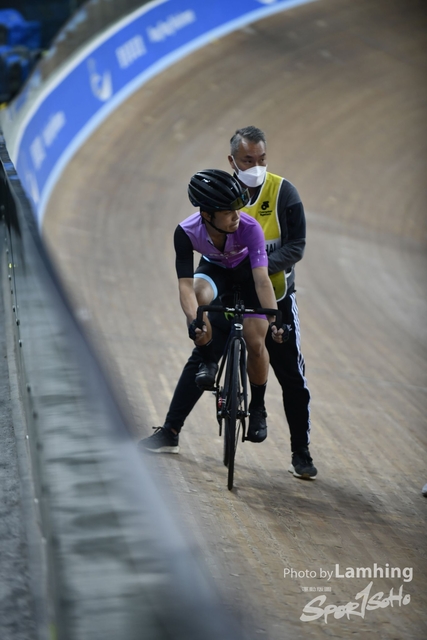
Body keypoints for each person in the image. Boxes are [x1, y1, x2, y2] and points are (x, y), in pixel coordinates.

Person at [140, 126, 316, 481]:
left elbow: (295, 247)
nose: (256, 166)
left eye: (261, 159)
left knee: (287, 371)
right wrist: (195, 320)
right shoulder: (213, 199)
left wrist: (259, 270)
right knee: (203, 344)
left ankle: (297, 448)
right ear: (232, 161)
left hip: (272, 289)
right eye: (248, 160)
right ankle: (171, 430)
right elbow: (188, 283)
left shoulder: (281, 194)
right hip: (222, 278)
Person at [144, 168, 282, 451]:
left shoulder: (249, 227)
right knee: (199, 303)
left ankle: (258, 407)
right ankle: (174, 425)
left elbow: (261, 279)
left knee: (256, 340)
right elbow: (185, 286)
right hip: (214, 272)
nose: (236, 216)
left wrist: (274, 318)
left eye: (237, 209)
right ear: (207, 215)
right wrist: (194, 320)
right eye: (228, 212)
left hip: (247, 275)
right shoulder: (186, 232)